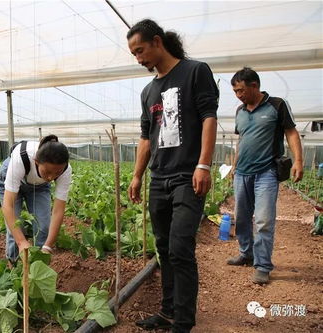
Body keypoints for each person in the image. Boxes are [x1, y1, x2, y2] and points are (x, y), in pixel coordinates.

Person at [126, 19, 218, 333]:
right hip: (159, 179)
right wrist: (138, 175)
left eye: (140, 50)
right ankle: (167, 313)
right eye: (134, 54)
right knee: (164, 248)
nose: (139, 59)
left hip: (187, 176)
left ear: (157, 41)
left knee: (180, 248)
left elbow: (208, 117)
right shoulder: (148, 90)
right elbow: (146, 137)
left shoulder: (195, 71)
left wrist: (203, 165)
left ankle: (183, 320)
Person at [227, 67, 303, 284]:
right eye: (235, 92)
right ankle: (246, 253)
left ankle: (262, 265)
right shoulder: (240, 111)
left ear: (254, 86)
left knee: (263, 220)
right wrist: (234, 166)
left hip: (267, 172)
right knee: (241, 218)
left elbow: (291, 132)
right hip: (242, 172)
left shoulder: (276, 105)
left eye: (241, 90)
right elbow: (242, 140)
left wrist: (298, 160)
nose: (238, 95)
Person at [0, 135, 72, 263]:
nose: (51, 178)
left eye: (57, 173)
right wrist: (21, 242)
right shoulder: (21, 158)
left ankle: (39, 267)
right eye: (47, 172)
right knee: (15, 227)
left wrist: (48, 246)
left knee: (43, 226)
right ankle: (14, 269)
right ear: (36, 162)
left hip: (39, 186)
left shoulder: (65, 170)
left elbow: (58, 210)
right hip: (11, 179)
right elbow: (8, 206)